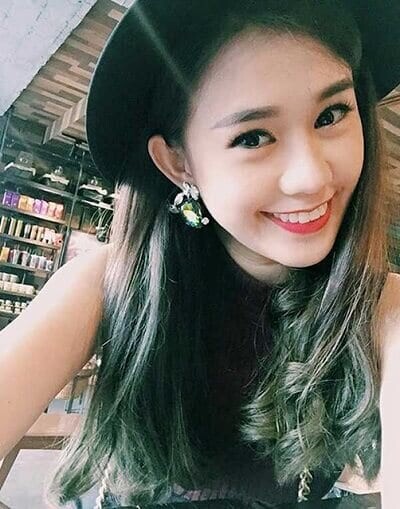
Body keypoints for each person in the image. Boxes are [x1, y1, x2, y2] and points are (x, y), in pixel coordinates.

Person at [0, 0, 399, 508]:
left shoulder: (381, 308)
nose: (311, 176)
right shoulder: (106, 286)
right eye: (253, 137)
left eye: (331, 115)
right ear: (178, 163)